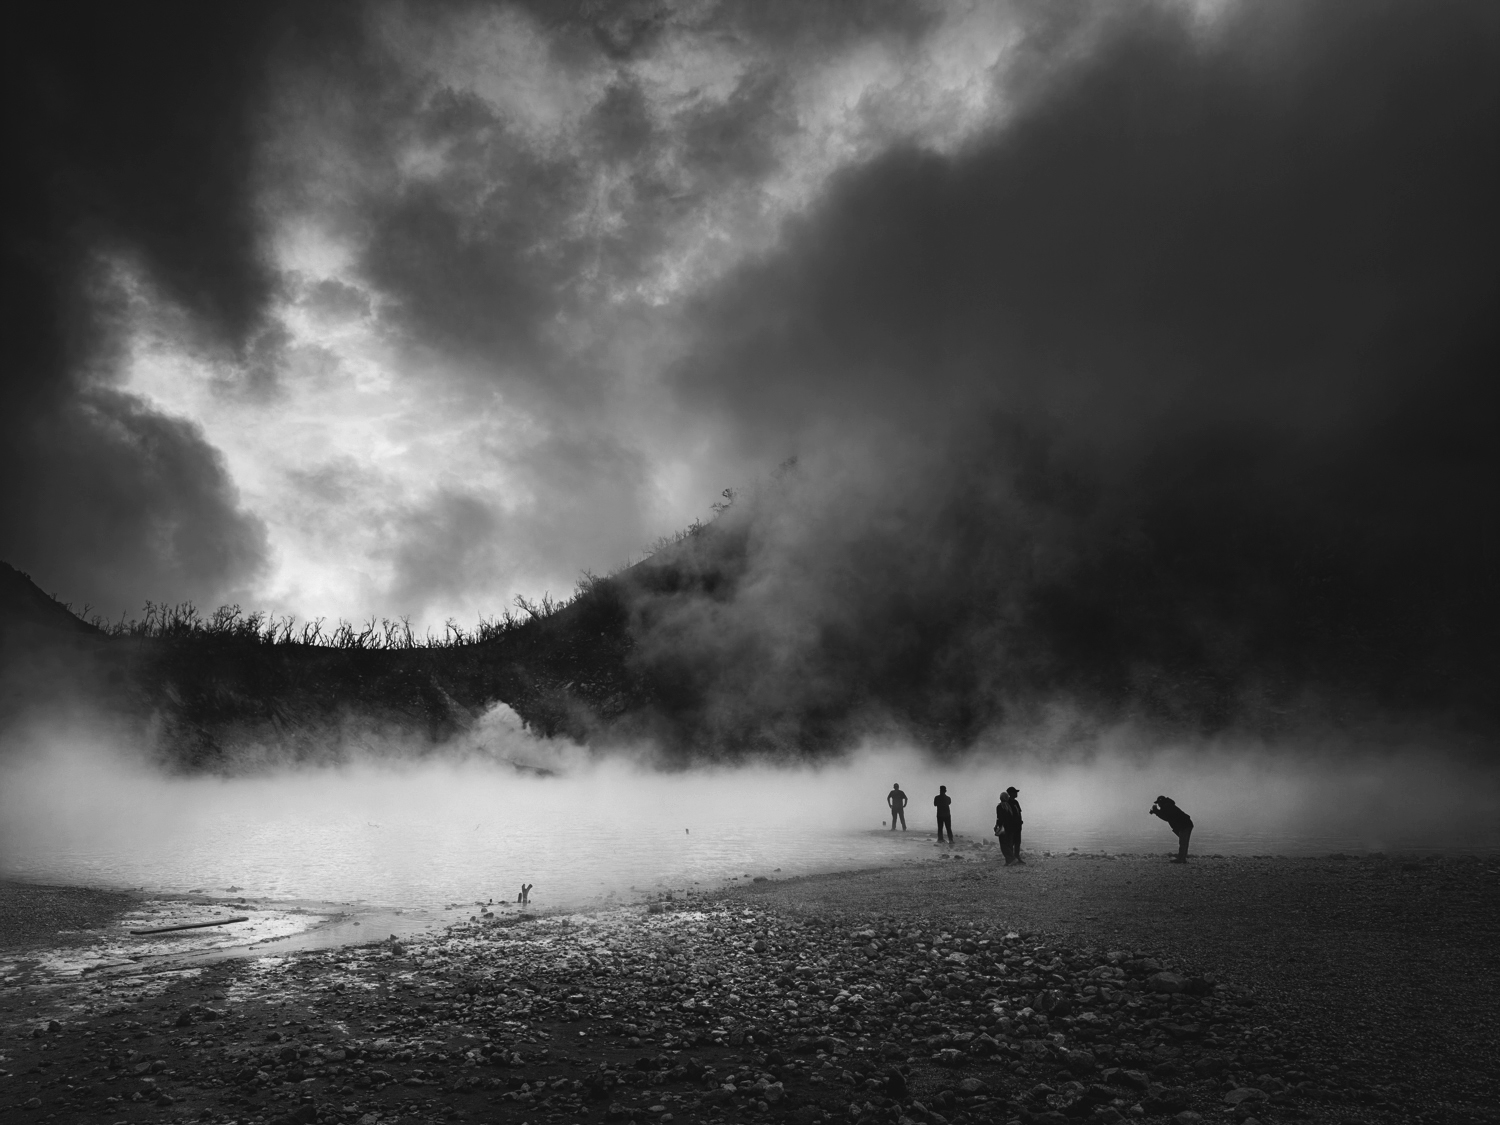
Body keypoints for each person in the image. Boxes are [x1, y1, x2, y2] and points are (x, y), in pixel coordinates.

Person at [1150, 796, 1193, 862]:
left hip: (1184, 825)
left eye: (1158, 803)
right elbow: (1165, 815)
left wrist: (1156, 811)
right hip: (1185, 824)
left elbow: (1165, 817)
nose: (1158, 805)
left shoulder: (1167, 806)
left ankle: (1181, 859)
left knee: (1183, 842)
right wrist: (1156, 812)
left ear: (1161, 802)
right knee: (1183, 842)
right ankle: (1182, 858)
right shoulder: (1168, 805)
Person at [998, 787, 1024, 864]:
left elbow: (1019, 813)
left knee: (1017, 842)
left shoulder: (1016, 802)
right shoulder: (1007, 803)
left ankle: (1016, 857)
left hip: (1018, 826)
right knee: (1010, 843)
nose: (1016, 793)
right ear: (1010, 793)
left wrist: (1020, 822)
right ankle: (1010, 859)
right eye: (1015, 792)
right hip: (1012, 827)